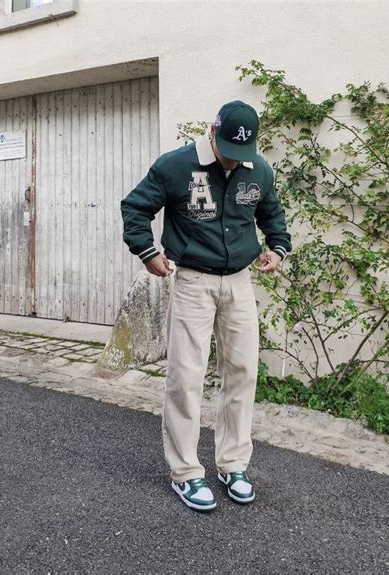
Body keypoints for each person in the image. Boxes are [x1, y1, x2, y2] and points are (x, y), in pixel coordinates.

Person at [121, 100, 291, 512]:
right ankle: (185, 472)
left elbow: (272, 213)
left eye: (242, 156)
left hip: (239, 282)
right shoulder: (176, 165)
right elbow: (136, 207)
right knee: (186, 376)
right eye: (228, 153)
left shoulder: (259, 170)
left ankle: (233, 464)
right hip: (193, 281)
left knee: (242, 372)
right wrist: (147, 252)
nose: (234, 163)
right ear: (212, 133)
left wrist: (278, 248)